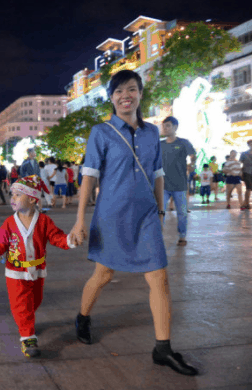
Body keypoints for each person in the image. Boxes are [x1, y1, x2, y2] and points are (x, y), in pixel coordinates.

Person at [70, 70, 198, 376]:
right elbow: (89, 176)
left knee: (159, 277)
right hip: (111, 215)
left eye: (131, 89)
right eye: (118, 91)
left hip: (145, 216)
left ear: (140, 94)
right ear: (112, 98)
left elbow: (156, 173)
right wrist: (79, 221)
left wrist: (159, 210)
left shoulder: (152, 133)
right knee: (103, 274)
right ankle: (83, 317)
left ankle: (163, 349)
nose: (125, 95)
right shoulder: (101, 132)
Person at [0, 175, 75, 357]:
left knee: (35, 300)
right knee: (22, 304)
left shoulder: (44, 221)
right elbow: (1, 242)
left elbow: (56, 237)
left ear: (32, 199)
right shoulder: (9, 222)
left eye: (18, 195)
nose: (13, 199)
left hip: (38, 271)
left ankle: (26, 321)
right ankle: (28, 338)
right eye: (13, 195)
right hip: (15, 272)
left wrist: (70, 240)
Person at [160, 116, 196, 246]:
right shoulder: (160, 144)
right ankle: (158, 237)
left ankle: (182, 236)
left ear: (175, 127)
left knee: (182, 213)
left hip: (180, 185)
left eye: (168, 126)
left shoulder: (183, 142)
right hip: (162, 186)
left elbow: (192, 155)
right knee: (160, 212)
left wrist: (192, 164)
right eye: (164, 126)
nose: (165, 128)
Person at [239, 139, 252, 209]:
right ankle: (246, 203)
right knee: (248, 188)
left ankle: (246, 203)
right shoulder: (244, 154)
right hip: (247, 172)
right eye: (250, 144)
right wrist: (241, 172)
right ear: (248, 145)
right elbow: (240, 163)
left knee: (249, 188)